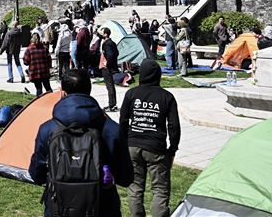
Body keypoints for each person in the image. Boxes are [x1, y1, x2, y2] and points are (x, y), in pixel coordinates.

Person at [28, 69, 134, 217]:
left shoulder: (47, 129)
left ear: (63, 92)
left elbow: (36, 175)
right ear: (89, 90)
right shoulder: (112, 129)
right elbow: (126, 178)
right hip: (102, 208)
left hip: (59, 207)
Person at [119, 59, 181, 217]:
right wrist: (172, 150)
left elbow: (123, 121)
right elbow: (173, 126)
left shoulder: (131, 93)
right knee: (160, 190)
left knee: (134, 189)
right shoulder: (167, 97)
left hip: (133, 146)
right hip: (156, 149)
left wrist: (125, 143)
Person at [99, 27, 120, 112]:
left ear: (105, 34)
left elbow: (110, 55)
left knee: (109, 86)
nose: (100, 34)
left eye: (102, 33)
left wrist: (107, 64)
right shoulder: (112, 43)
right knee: (111, 86)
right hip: (109, 67)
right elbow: (117, 52)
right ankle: (113, 104)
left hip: (106, 67)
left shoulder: (107, 44)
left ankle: (111, 105)